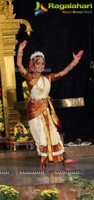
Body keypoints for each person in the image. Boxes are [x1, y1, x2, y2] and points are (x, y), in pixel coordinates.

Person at [16, 40, 84, 169]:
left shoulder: (48, 78)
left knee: (54, 133)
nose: (41, 66)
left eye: (42, 63)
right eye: (38, 63)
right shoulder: (30, 78)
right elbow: (19, 65)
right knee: (40, 135)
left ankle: (63, 158)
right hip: (34, 111)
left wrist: (75, 61)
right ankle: (43, 159)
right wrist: (20, 50)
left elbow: (63, 72)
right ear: (33, 65)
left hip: (45, 110)